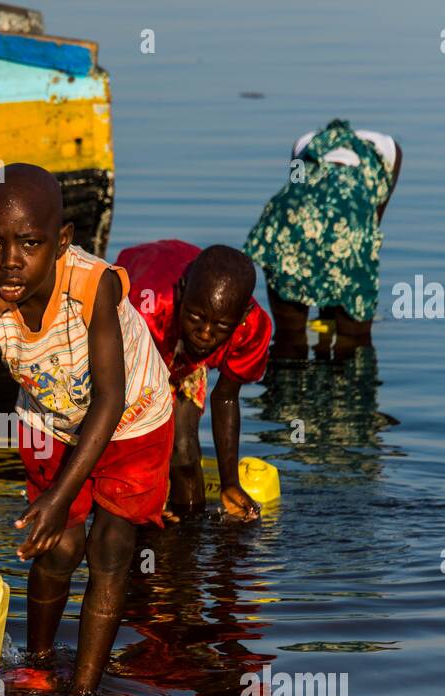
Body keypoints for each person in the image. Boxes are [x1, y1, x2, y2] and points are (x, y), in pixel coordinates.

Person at [0, 163, 173, 696]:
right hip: (51, 422)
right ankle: (37, 666)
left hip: (132, 418)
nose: (10, 260)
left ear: (61, 242)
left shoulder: (91, 286)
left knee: (110, 547)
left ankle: (84, 692)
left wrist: (61, 495)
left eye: (30, 243)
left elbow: (110, 400)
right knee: (56, 546)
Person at [114, 241, 271, 521]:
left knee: (184, 453)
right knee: (141, 456)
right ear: (182, 293)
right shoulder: (147, 308)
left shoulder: (253, 328)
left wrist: (230, 483)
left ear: (242, 316)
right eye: (196, 318)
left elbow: (225, 397)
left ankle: (189, 534)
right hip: (145, 340)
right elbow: (131, 397)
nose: (206, 334)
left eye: (221, 326)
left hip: (178, 339)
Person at [243, 119, 402, 357]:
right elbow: (371, 221)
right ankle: (348, 385)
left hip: (286, 225)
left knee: (289, 337)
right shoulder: (389, 151)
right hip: (347, 227)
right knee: (354, 341)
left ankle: (289, 385)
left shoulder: (304, 143)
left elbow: (297, 190)